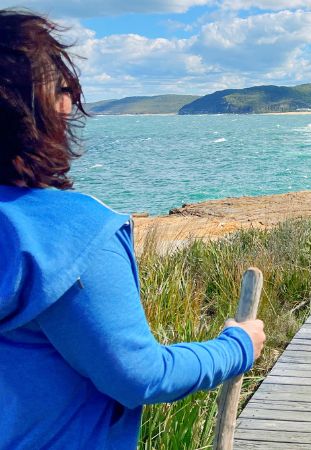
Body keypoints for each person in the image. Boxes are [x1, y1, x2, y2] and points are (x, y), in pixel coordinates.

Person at [0, 10, 266, 449]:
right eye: (64, 88)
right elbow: (138, 377)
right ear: (42, 109)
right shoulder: (74, 234)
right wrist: (238, 345)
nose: (71, 103)